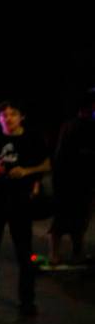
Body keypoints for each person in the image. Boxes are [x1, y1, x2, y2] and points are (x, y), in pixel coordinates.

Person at [0, 101, 49, 316]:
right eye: (4, 115)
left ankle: (27, 301)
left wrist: (26, 171)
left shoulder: (33, 138)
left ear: (21, 116)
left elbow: (47, 164)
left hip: (22, 204)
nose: (8, 118)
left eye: (13, 114)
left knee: (24, 254)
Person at [47, 89, 95, 267]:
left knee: (78, 221)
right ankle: (58, 255)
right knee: (66, 220)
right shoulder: (75, 126)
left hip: (79, 182)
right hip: (72, 182)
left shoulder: (78, 125)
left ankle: (71, 254)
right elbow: (61, 156)